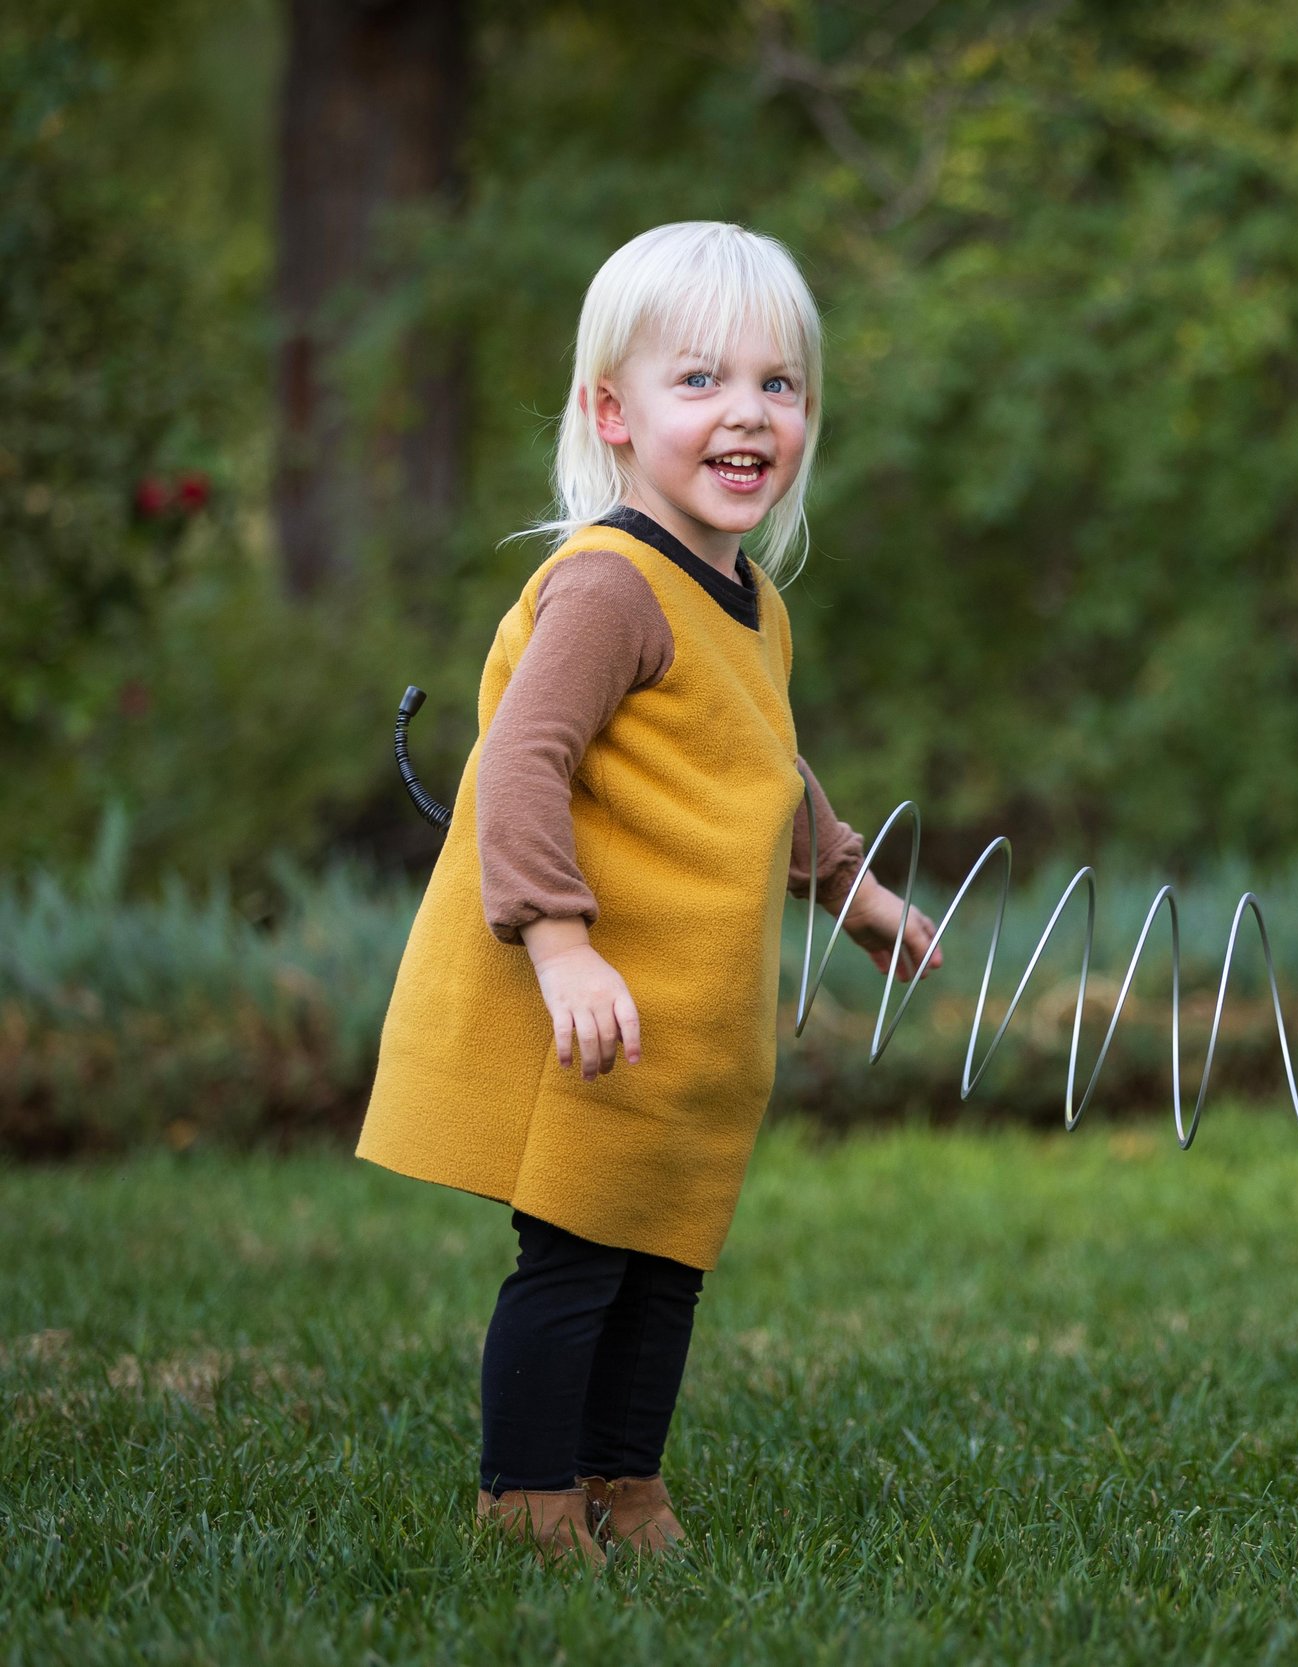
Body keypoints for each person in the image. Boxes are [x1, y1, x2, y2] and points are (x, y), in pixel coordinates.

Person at [357, 221, 940, 1567]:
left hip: (691, 1013)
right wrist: (558, 947)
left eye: (778, 385)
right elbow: (521, 764)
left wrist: (849, 890)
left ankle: (626, 1484)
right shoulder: (612, 586)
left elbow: (755, 762)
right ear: (611, 413)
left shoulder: (750, 602)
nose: (747, 412)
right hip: (600, 1003)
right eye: (701, 382)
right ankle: (528, 1506)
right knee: (574, 1262)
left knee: (664, 1259)